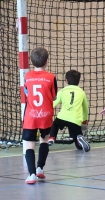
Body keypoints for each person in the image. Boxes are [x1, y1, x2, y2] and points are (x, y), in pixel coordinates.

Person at [22, 47, 57, 184]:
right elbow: (54, 97)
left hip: (31, 115)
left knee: (29, 145)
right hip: (45, 115)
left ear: (32, 61)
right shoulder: (51, 77)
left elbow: (27, 94)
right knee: (44, 140)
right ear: (46, 61)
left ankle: (31, 175)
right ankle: (40, 169)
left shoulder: (27, 76)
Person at [48, 70, 90, 152]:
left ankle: (52, 137)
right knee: (78, 144)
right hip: (75, 120)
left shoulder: (62, 91)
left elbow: (53, 104)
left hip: (62, 117)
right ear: (78, 81)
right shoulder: (82, 92)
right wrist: (84, 119)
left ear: (66, 81)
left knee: (55, 124)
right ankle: (79, 138)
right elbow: (85, 108)